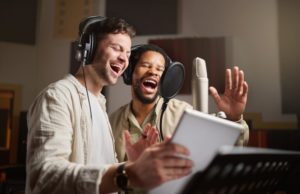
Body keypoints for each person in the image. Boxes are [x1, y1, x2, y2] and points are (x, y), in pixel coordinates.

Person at [25, 16, 193, 194]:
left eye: (127, 54)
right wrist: (128, 172)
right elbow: (45, 177)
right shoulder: (57, 97)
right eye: (116, 48)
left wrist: (133, 164)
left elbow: (102, 172)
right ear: (89, 48)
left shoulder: (99, 105)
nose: (123, 59)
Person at [109, 44, 249, 163]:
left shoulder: (184, 114)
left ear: (166, 79)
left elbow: (221, 150)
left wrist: (234, 119)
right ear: (129, 73)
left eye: (160, 69)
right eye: (146, 65)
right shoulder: (111, 122)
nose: (153, 72)